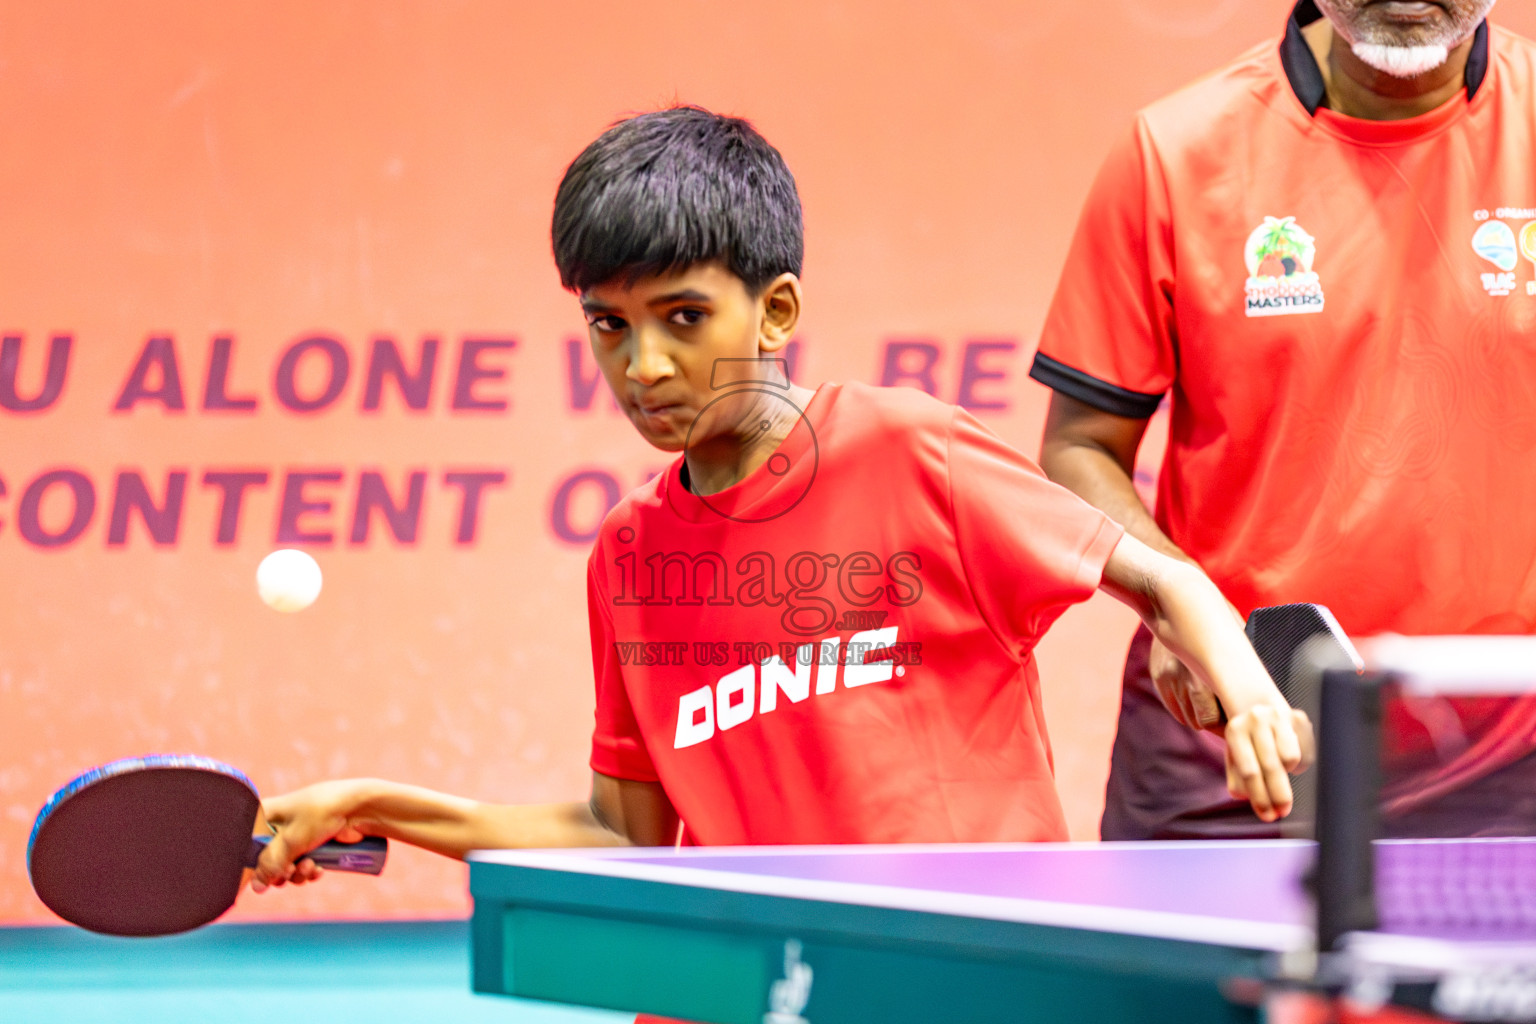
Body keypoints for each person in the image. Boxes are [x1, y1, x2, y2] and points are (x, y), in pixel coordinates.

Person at [253, 107, 1309, 887]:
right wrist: (373, 801)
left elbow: (1163, 580)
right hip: (761, 981)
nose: (645, 366)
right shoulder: (628, 552)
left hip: (965, 968)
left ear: (776, 309)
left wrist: (1251, 690)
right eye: (610, 326)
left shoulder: (908, 451)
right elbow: (623, 832)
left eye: (682, 317)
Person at [1031, 0, 1536, 840]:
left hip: (1507, 759)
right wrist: (1176, 604)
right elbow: (1079, 446)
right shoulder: (1175, 153)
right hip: (1237, 742)